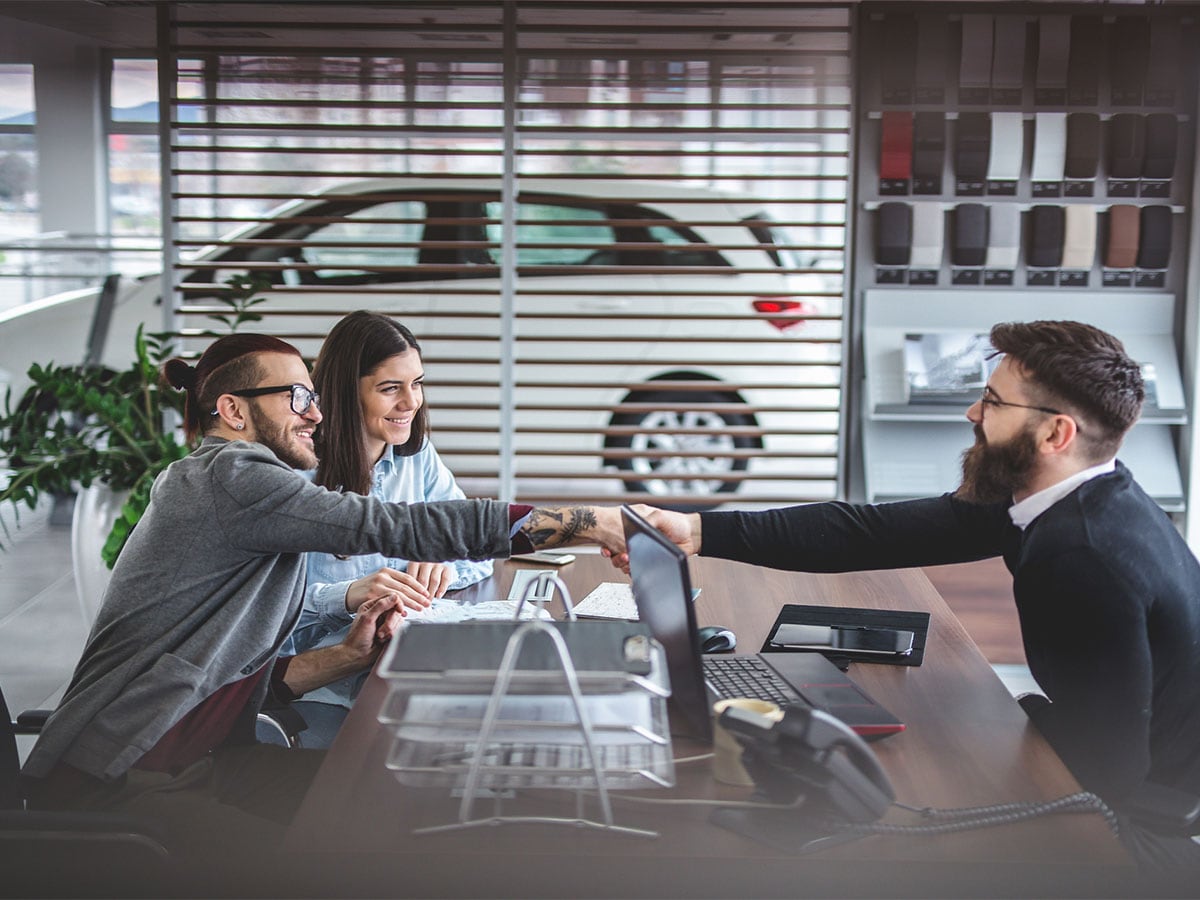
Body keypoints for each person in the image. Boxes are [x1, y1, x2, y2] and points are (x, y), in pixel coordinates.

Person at [21, 331, 634, 861]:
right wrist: (589, 520)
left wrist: (347, 655)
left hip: (201, 761)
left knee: (404, 804)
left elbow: (220, 678)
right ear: (233, 410)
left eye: (312, 397)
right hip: (123, 782)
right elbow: (403, 525)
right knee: (353, 859)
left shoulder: (241, 489)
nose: (315, 414)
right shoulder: (228, 478)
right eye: (298, 398)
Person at [622, 320, 1200, 879]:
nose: (973, 414)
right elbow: (869, 530)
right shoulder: (1070, 495)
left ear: (1056, 434)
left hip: (1144, 826)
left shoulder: (1081, 554)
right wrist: (699, 532)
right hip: (1130, 772)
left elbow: (1116, 771)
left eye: (994, 404)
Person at [280, 312, 493, 747]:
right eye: (390, 388)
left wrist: (443, 561)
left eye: (416, 383)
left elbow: (479, 542)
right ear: (344, 393)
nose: (411, 402)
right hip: (320, 688)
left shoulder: (416, 457)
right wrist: (347, 595)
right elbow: (264, 606)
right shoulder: (295, 473)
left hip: (396, 668)